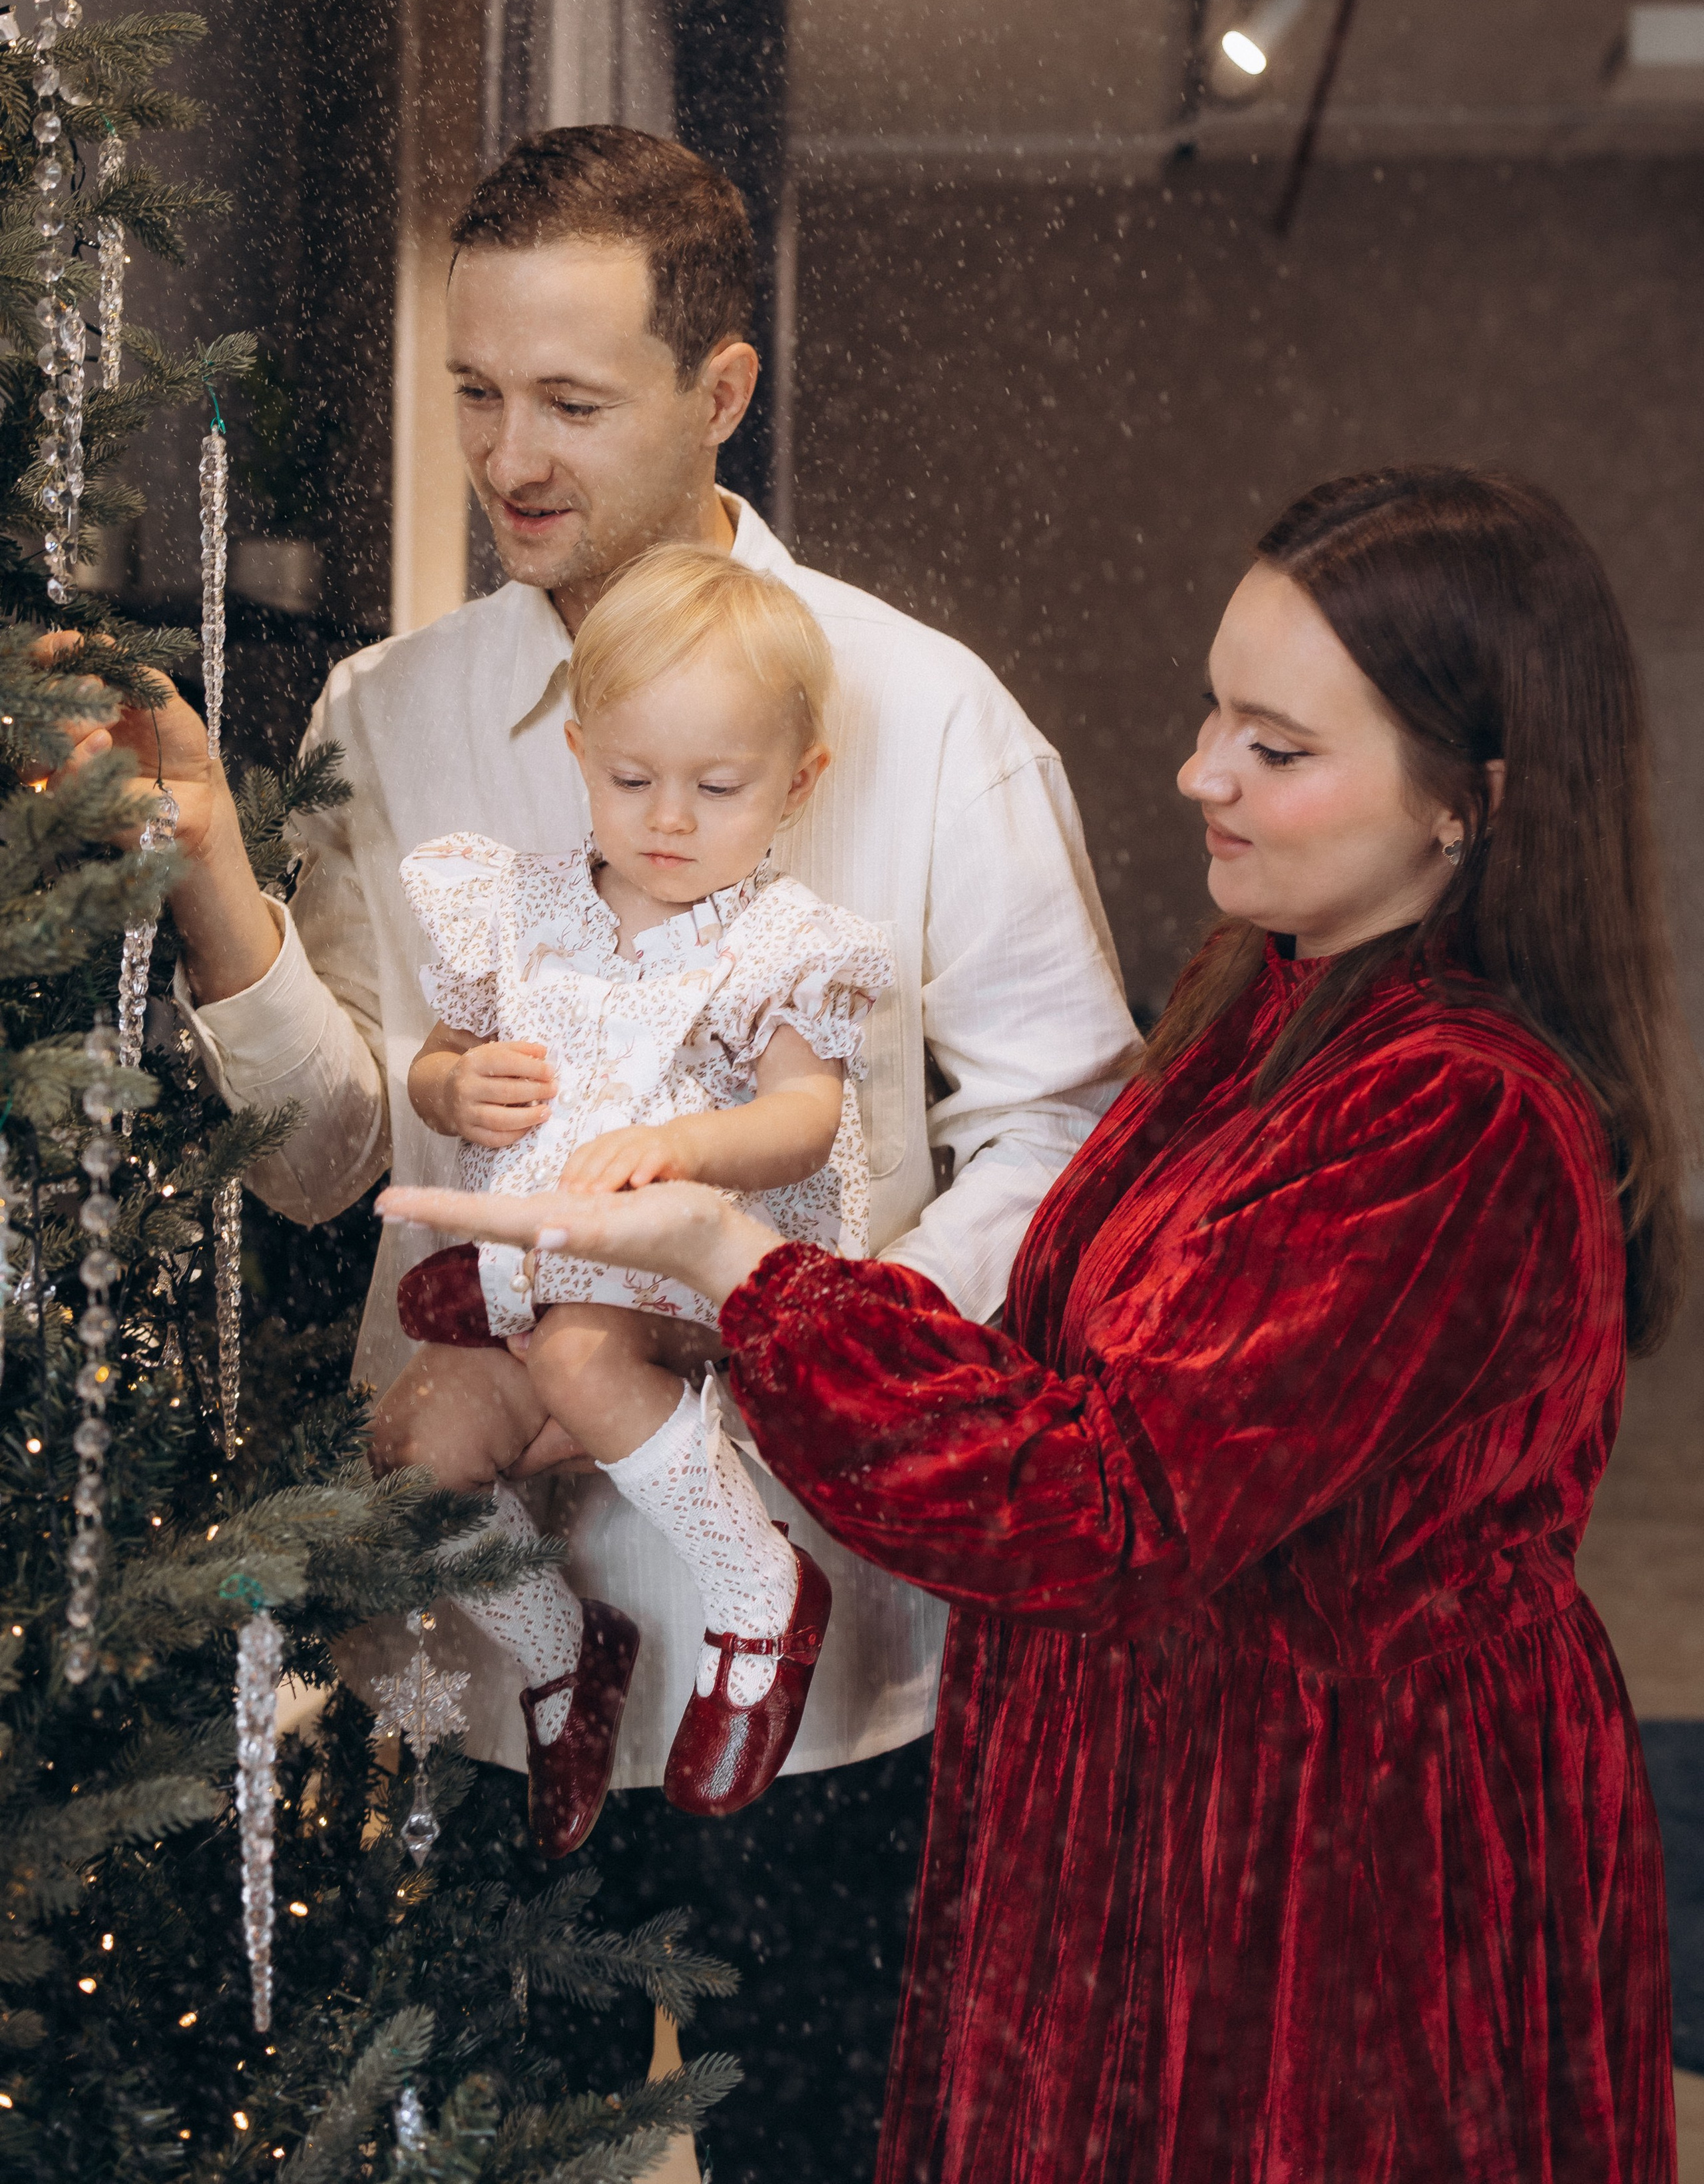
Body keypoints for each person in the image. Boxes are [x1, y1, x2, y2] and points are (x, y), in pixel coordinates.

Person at [382, 466, 1683, 2183]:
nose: (1195, 772)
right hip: (1141, 1816)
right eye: (1215, 711)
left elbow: (1109, 1502)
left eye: (1275, 749)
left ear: (1470, 804)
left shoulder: (1457, 1116)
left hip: (1323, 1875)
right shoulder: (1265, 994)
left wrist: (740, 1268)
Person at [71, 126, 1138, 2173]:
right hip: (473, 1648)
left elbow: (1065, 1133)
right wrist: (213, 873)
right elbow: (332, 1160)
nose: (510, 455)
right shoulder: (392, 716)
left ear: (720, 389)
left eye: (572, 400)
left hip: (833, 1654)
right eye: (476, 392)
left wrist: (798, 1329)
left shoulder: (930, 716)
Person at [380, 546, 893, 1849]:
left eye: (717, 788)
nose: (668, 818)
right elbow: (440, 1059)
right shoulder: (524, 907)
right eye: (629, 779)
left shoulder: (774, 941)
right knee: (416, 1435)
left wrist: (688, 1145)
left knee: (579, 1346)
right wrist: (453, 1090)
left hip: (693, 1275)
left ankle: (757, 1588)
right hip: (536, 1268)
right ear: (578, 748)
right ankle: (562, 1645)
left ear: (797, 780)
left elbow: (804, 1116)